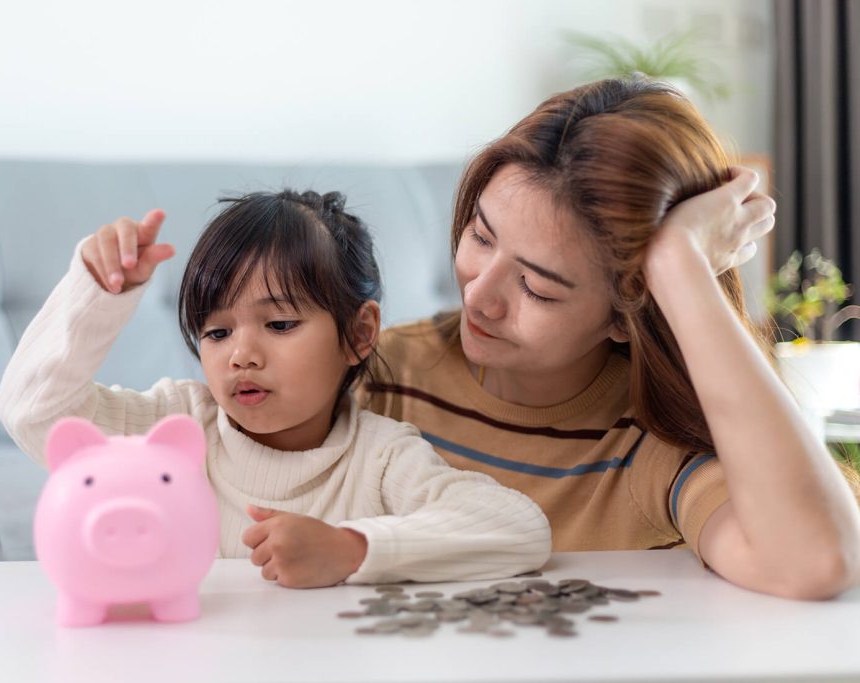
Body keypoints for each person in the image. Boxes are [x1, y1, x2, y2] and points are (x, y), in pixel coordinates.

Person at [360, 77, 860, 600]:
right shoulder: (383, 377)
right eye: (481, 237)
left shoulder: (649, 448)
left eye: (537, 287)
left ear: (625, 314)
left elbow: (815, 561)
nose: (478, 296)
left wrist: (678, 263)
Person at [0, 189, 551, 589]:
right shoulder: (177, 430)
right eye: (216, 332)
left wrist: (352, 549)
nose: (241, 354)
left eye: (279, 325)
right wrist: (95, 293)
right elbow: (35, 414)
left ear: (358, 334)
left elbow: (519, 528)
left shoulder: (381, 457)